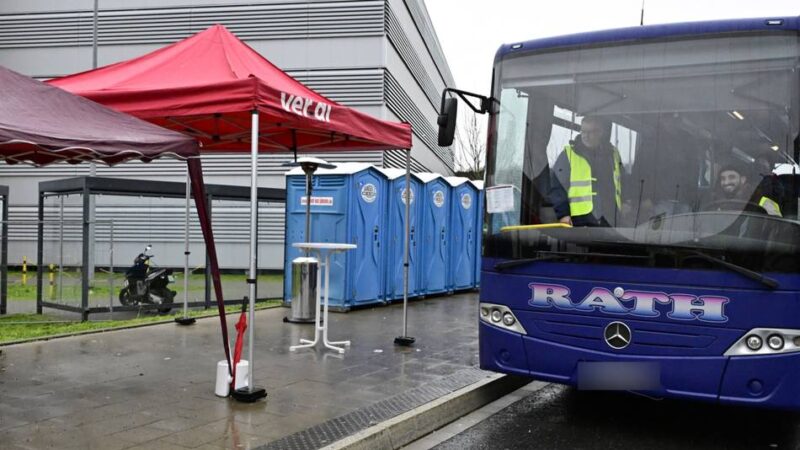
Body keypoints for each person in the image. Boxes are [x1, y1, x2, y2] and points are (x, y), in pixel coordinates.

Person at [548, 115, 622, 226]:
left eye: (590, 132)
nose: (585, 136)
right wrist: (563, 214)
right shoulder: (569, 154)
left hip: (610, 218)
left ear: (600, 132)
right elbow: (557, 187)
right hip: (580, 220)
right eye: (583, 132)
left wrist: (627, 202)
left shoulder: (612, 154)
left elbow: (622, 181)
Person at [713, 162, 781, 216]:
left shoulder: (763, 201)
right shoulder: (715, 202)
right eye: (723, 178)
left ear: (743, 180)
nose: (726, 182)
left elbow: (777, 227)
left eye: (732, 177)